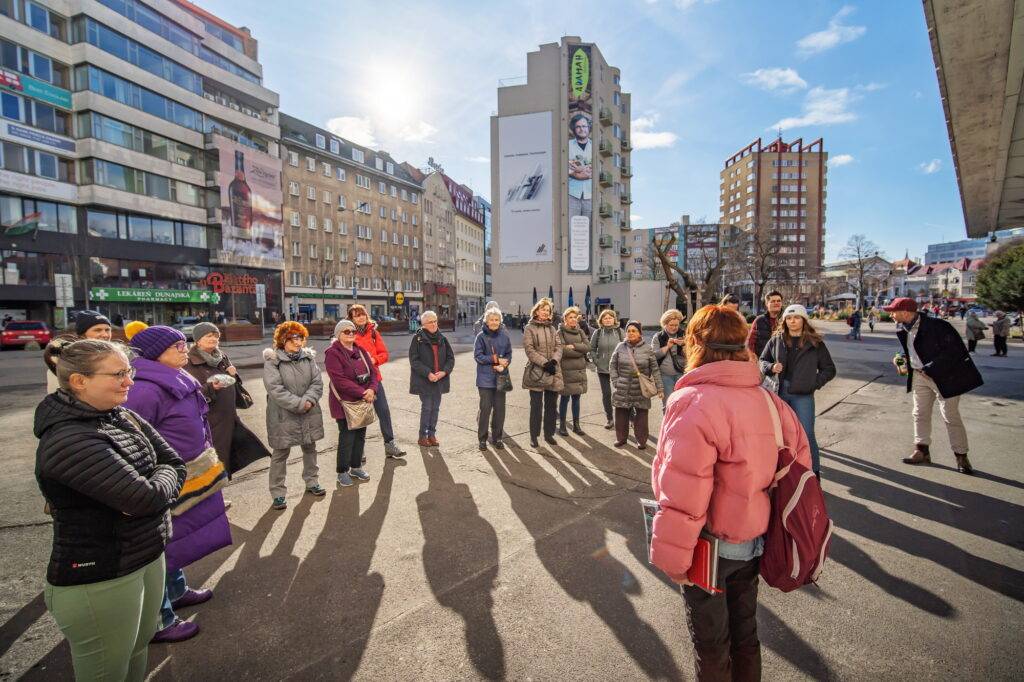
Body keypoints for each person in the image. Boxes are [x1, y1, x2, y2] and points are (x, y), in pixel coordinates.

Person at [650, 305, 813, 681]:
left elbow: (683, 489)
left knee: (711, 645)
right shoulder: (768, 400)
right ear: (743, 344)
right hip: (756, 539)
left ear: (695, 344)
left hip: (710, 547)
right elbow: (800, 462)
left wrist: (673, 560)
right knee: (745, 634)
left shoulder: (693, 402)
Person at [34, 339, 185, 681]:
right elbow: (144, 498)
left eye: (128, 371)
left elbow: (174, 463)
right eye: (118, 374)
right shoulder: (69, 439)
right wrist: (154, 489)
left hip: (144, 554)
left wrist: (153, 488)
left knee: (136, 650)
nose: (129, 381)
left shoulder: (121, 415)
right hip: (101, 575)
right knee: (108, 668)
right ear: (79, 381)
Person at [125, 326, 231, 643]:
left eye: (184, 343)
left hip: (190, 472)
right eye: (177, 346)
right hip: (164, 479)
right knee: (158, 547)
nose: (185, 349)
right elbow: (134, 439)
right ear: (157, 352)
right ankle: (160, 620)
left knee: (176, 540)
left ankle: (177, 590)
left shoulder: (174, 375)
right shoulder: (144, 389)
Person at [884, 298, 983, 474]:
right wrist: (902, 359)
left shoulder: (938, 326)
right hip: (919, 376)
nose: (890, 314)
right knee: (919, 413)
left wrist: (930, 367)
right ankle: (922, 450)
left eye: (893, 311)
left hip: (946, 376)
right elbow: (914, 349)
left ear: (906, 312)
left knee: (950, 415)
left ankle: (961, 456)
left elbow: (955, 352)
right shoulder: (902, 327)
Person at [759, 304, 836, 478]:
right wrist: (771, 367)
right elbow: (762, 360)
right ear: (784, 321)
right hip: (780, 392)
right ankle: (784, 474)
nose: (792, 321)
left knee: (807, 434)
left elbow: (829, 369)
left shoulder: (815, 343)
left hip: (803, 395)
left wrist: (813, 383)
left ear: (803, 320)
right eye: (788, 318)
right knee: (781, 436)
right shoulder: (777, 339)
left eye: (796, 318)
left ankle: (813, 473)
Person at [184, 323, 268, 479]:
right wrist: (211, 387)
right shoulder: (188, 362)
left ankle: (219, 493)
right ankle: (214, 496)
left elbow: (232, 382)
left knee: (226, 458)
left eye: (216, 336)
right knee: (213, 461)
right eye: (208, 336)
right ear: (197, 340)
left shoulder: (220, 356)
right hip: (210, 421)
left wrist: (233, 374)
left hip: (229, 417)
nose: (213, 339)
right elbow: (190, 395)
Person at [263, 322, 326, 509]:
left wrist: (309, 400)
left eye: (301, 337)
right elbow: (275, 390)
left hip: (308, 411)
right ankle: (278, 493)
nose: (298, 342)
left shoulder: (308, 358)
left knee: (310, 448)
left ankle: (312, 482)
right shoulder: (273, 360)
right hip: (283, 415)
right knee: (281, 453)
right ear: (283, 339)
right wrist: (300, 404)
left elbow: (317, 382)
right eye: (294, 338)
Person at [347, 304, 406, 459]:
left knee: (384, 412)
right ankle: (358, 451)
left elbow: (384, 354)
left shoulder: (373, 332)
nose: (360, 317)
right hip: (356, 382)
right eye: (356, 315)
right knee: (359, 417)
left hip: (374, 379)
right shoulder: (348, 334)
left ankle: (390, 445)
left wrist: (373, 359)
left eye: (362, 314)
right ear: (351, 318)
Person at [326, 320, 378, 486]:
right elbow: (339, 380)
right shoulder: (332, 353)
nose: (350, 334)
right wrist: (363, 392)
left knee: (360, 436)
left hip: (363, 400)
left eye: (352, 331)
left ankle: (356, 467)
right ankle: (342, 471)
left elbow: (373, 373)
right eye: (346, 331)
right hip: (345, 403)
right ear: (338, 334)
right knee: (347, 437)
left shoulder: (360, 350)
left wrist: (372, 389)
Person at [609, 320, 662, 449]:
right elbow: (612, 365)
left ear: (640, 333)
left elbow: (655, 369)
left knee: (642, 416)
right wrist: (615, 381)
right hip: (623, 386)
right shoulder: (620, 347)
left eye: (634, 331)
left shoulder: (647, 348)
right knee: (621, 414)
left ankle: (641, 440)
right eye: (628, 331)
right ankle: (621, 439)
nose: (631, 333)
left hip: (641, 388)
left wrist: (659, 388)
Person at [408, 311, 455, 448]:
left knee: (435, 408)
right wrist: (428, 373)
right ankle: (422, 436)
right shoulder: (417, 339)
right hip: (425, 380)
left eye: (435, 321)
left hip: (439, 379)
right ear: (423, 324)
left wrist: (444, 372)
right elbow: (414, 360)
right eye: (430, 322)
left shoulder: (442, 338)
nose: (434, 324)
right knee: (427, 407)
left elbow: (450, 358)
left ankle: (432, 435)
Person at [522, 298, 564, 447]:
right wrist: (544, 363)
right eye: (543, 309)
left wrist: (553, 361)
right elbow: (529, 350)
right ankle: (534, 436)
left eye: (548, 310)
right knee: (536, 407)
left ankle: (549, 434)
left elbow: (559, 347)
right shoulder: (529, 328)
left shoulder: (553, 329)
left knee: (551, 406)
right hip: (537, 372)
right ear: (537, 311)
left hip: (553, 371)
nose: (545, 312)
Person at [473, 306, 512, 450]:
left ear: (500, 321)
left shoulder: (505, 335)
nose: (494, 322)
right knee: (485, 409)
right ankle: (482, 439)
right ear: (486, 321)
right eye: (492, 320)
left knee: (500, 410)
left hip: (501, 376)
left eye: (497, 320)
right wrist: (495, 359)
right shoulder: (481, 337)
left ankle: (498, 437)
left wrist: (504, 365)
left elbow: (508, 354)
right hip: (485, 379)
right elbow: (478, 357)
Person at [556, 306, 590, 436]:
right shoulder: (560, 332)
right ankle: (563, 426)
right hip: (566, 371)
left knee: (576, 399)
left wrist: (574, 346)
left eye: (575, 317)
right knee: (564, 399)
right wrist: (579, 352)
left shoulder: (580, 332)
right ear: (565, 319)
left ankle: (576, 425)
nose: (573, 319)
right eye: (570, 317)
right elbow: (563, 350)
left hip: (579, 371)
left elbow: (588, 347)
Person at [590, 309, 624, 429]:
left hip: (619, 369)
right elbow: (592, 349)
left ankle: (630, 417)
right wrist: (596, 361)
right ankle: (609, 418)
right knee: (606, 394)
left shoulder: (620, 332)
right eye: (605, 318)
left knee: (623, 393)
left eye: (610, 317)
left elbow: (628, 348)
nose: (608, 320)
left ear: (614, 319)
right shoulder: (598, 333)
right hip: (603, 368)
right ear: (601, 320)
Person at [652, 309, 686, 405]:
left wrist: (685, 344)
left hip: (682, 373)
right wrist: (667, 347)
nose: (674, 327)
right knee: (668, 403)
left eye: (676, 325)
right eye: (671, 325)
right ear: (665, 324)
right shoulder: (658, 336)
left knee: (682, 402)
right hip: (665, 375)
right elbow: (654, 355)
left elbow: (693, 354)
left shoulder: (684, 334)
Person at [567, 113, 592, 218]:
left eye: (584, 126)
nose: (582, 129)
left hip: (591, 195)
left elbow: (597, 169)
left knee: (590, 230)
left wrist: (579, 169)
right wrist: (585, 171)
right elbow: (566, 169)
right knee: (570, 229)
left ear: (588, 128)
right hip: (572, 194)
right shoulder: (567, 145)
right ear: (573, 129)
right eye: (578, 127)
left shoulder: (596, 147)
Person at [746, 290, 784, 358]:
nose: (776, 303)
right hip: (762, 361)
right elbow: (750, 343)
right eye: (773, 301)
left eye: (778, 301)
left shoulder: (785, 321)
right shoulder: (759, 320)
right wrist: (754, 358)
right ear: (767, 304)